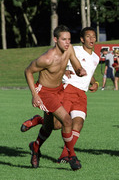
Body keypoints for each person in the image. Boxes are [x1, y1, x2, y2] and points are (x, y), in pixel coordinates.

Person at [21, 27, 100, 166]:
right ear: (55, 40)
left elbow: (76, 63)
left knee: (60, 125)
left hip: (63, 90)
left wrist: (79, 70)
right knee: (63, 123)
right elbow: (28, 71)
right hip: (46, 92)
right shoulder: (47, 58)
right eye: (64, 39)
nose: (67, 42)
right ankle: (72, 156)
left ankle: (39, 146)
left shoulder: (72, 51)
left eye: (69, 39)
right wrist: (34, 95)